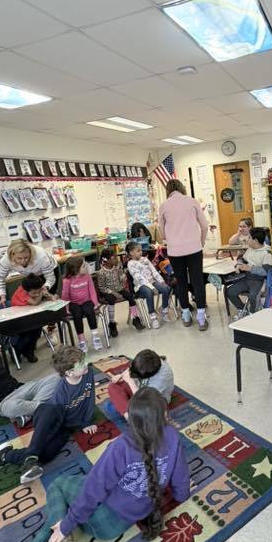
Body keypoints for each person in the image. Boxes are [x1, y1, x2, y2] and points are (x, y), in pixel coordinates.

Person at [0, 387, 191, 542]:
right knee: (86, 484)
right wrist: (181, 497)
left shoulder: (121, 447)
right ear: (164, 414)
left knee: (61, 483)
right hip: (126, 521)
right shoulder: (172, 436)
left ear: (131, 417)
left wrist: (66, 525)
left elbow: (92, 492)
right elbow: (181, 482)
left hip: (102, 521)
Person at [0, 346, 100, 483]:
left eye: (84, 360)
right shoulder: (61, 389)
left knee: (46, 455)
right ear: (69, 373)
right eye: (81, 364)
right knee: (51, 410)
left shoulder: (88, 374)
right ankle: (31, 455)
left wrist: (87, 422)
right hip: (50, 419)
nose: (86, 364)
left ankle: (7, 456)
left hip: (67, 426)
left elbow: (90, 398)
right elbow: (54, 419)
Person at [0, 332, 59, 427]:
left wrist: (24, 388)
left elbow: (7, 378)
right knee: (11, 407)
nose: (0, 346)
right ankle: (44, 408)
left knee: (57, 378)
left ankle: (29, 414)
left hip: (20, 389)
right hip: (5, 403)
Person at [157, 178, 209, 331]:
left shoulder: (163, 206)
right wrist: (201, 241)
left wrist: (173, 235)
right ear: (182, 188)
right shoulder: (192, 201)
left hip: (175, 251)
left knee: (180, 282)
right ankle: (200, 317)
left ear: (168, 191)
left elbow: (162, 234)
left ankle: (186, 315)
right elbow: (205, 226)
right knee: (197, 281)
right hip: (194, 248)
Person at [108, 348, 175, 417]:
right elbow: (133, 368)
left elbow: (144, 401)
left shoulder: (163, 377)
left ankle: (132, 418)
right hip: (139, 390)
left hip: (152, 400)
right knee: (113, 386)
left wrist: (131, 382)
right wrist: (122, 375)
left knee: (150, 410)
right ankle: (129, 415)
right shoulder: (145, 360)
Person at [225, 227, 271, 318]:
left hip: (259, 281)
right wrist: (239, 264)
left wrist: (250, 268)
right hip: (247, 278)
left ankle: (252, 315)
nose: (247, 239)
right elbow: (242, 259)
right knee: (230, 291)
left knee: (253, 297)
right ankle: (242, 309)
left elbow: (266, 272)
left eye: (249, 237)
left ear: (255, 240)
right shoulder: (250, 249)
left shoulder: (267, 253)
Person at [10, 273, 56, 363]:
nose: (37, 293)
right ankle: (17, 351)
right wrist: (41, 294)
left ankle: (29, 352)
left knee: (36, 332)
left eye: (39, 291)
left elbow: (49, 296)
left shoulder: (39, 287)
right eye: (34, 293)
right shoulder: (21, 291)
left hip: (32, 315)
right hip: (19, 318)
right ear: (26, 290)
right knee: (26, 336)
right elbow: (35, 302)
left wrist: (49, 295)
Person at [96, 248, 143, 335]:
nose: (116, 259)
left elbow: (122, 281)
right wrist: (113, 293)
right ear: (106, 260)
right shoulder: (101, 272)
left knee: (130, 297)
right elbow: (101, 287)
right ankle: (112, 324)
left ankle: (136, 318)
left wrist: (123, 274)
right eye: (114, 258)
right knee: (111, 300)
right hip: (109, 291)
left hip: (119, 289)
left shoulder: (116, 269)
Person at [125, 241, 171, 330]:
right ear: (131, 253)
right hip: (141, 285)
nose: (141, 252)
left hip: (152, 281)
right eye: (138, 251)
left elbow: (154, 271)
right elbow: (139, 278)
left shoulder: (145, 260)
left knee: (166, 288)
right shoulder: (131, 264)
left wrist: (161, 281)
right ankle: (153, 317)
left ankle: (164, 310)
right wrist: (152, 287)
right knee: (149, 292)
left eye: (141, 250)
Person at [62, 254, 102, 352]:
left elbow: (92, 290)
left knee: (89, 310)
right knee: (77, 314)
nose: (87, 266)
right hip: (73, 303)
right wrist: (66, 308)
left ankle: (95, 335)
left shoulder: (87, 276)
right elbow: (65, 296)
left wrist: (95, 303)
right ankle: (81, 339)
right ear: (76, 269)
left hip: (86, 301)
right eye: (84, 265)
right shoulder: (67, 281)